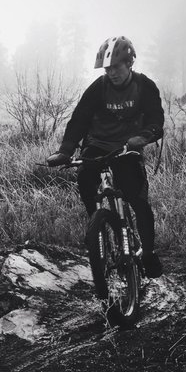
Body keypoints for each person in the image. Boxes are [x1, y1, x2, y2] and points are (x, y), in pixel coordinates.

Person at [47, 36, 164, 278]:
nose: (111, 73)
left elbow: (156, 120)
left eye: (116, 67)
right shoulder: (98, 88)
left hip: (127, 147)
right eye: (107, 68)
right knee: (84, 177)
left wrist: (142, 138)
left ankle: (149, 253)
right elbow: (79, 119)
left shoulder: (144, 86)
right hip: (97, 145)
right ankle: (97, 226)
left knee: (139, 202)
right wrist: (65, 151)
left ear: (129, 63)